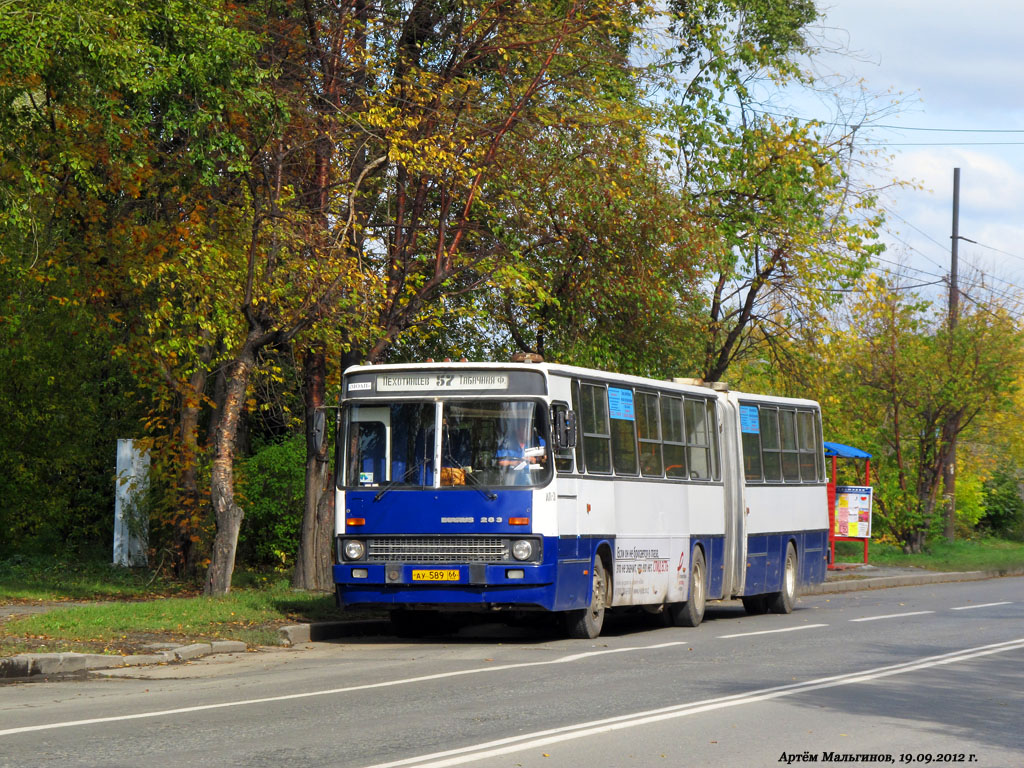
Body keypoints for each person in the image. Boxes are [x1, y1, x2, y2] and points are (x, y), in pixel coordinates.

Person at [496, 417, 546, 485]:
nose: (528, 432)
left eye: (529, 430)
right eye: (524, 428)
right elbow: (500, 462)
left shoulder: (538, 441)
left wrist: (537, 459)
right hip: (511, 480)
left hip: (534, 481)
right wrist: (515, 463)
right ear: (517, 430)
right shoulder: (507, 443)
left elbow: (546, 458)